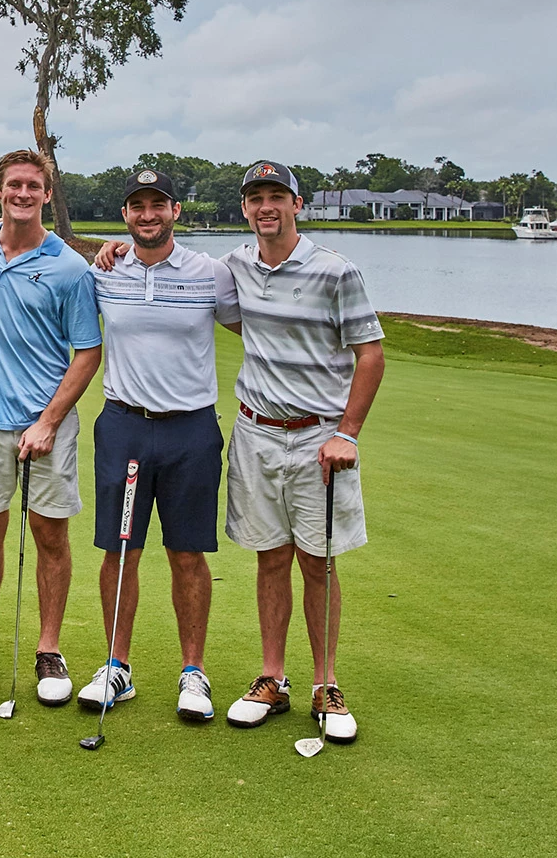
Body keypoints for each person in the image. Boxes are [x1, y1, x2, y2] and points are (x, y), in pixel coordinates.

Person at [218, 161, 384, 744]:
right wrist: (111, 250)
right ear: (244, 208)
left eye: (277, 197)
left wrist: (348, 432)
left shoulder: (336, 272)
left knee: (318, 560)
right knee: (269, 557)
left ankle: (325, 682)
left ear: (298, 204)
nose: (266, 207)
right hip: (256, 433)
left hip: (320, 439)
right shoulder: (235, 265)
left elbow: (370, 354)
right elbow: (169, 261)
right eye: (256, 198)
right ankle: (272, 678)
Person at [74, 171, 239, 723]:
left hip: (191, 429)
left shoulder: (209, 274)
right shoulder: (104, 270)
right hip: (123, 426)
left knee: (187, 552)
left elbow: (258, 327)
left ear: (175, 211)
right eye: (137, 206)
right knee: (119, 549)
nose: (147, 215)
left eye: (157, 205)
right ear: (126, 215)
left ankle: (193, 672)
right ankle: (117, 667)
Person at [0, 149, 102, 706]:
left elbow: (87, 352)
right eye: (14, 185)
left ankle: (49, 648)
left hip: (44, 428)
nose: (23, 194)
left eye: (34, 186)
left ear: (47, 194)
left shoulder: (71, 269)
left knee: (50, 535)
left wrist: (49, 421)